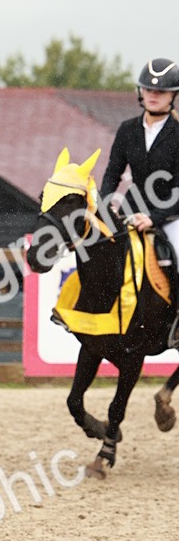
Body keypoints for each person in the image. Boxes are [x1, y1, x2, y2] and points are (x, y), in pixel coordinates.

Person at [99, 57, 179, 344]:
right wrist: (106, 203)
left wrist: (155, 218)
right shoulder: (127, 129)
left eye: (161, 92)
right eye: (148, 90)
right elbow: (112, 172)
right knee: (95, 248)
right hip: (131, 207)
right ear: (140, 92)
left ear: (173, 96)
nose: (153, 95)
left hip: (171, 215)